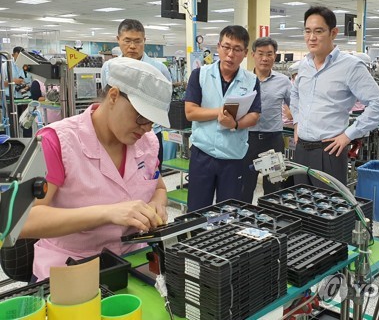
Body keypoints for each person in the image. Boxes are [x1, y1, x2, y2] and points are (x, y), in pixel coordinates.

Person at [19, 57, 171, 281]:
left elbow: (158, 187)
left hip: (132, 264)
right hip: (70, 270)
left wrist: (157, 204)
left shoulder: (146, 142)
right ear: (113, 96)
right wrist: (107, 212)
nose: (146, 128)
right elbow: (23, 220)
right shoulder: (55, 142)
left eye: (152, 122)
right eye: (140, 118)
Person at [290, 5, 379, 185]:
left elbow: (378, 104)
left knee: (328, 209)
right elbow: (295, 94)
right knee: (302, 207)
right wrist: (296, 122)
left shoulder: (351, 66)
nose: (311, 37)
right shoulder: (304, 65)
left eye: (318, 31)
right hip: (301, 149)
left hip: (330, 151)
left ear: (333, 33)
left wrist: (349, 134)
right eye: (307, 31)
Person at [184, 25, 261, 211]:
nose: (230, 54)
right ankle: (197, 240)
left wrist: (235, 123)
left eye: (237, 49)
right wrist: (220, 112)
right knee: (197, 209)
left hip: (233, 156)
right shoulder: (200, 75)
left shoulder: (251, 80)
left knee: (230, 210)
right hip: (203, 154)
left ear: (245, 54)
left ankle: (226, 240)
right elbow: (190, 112)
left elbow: (255, 115)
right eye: (226, 47)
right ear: (218, 47)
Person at [101, 19, 172, 166]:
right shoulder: (109, 67)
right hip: (117, 134)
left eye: (138, 41)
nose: (132, 46)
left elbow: (164, 103)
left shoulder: (159, 69)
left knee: (150, 177)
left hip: (150, 133)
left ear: (144, 41)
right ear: (118, 40)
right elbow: (106, 102)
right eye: (127, 41)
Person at [241, 37, 291, 204]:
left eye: (269, 54)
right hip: (247, 140)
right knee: (245, 185)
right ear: (253, 55)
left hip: (273, 141)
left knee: (274, 186)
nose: (264, 58)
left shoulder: (283, 81)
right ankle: (243, 220)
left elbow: (296, 108)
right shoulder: (242, 80)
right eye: (260, 54)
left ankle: (271, 220)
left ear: (275, 56)